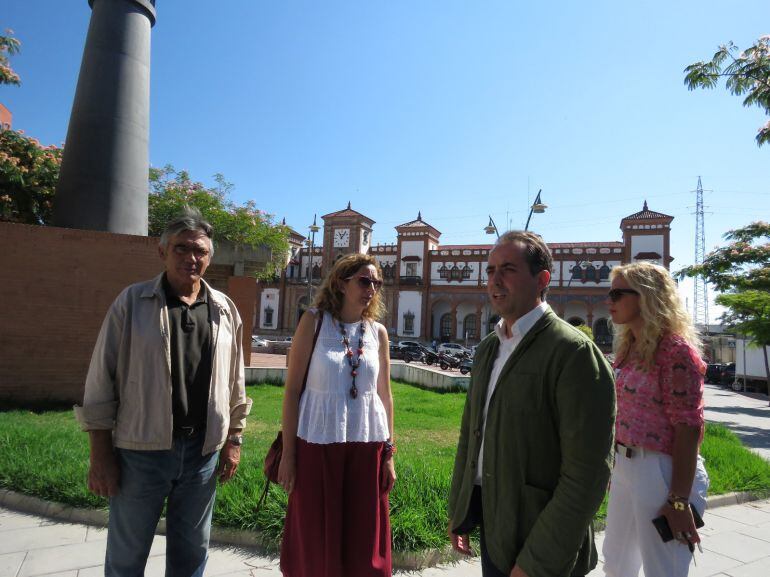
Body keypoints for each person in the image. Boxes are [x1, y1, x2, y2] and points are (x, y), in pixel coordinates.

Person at [74, 208, 252, 577]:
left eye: (200, 251)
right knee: (126, 559)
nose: (191, 258)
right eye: (181, 248)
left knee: (190, 558)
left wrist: (234, 438)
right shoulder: (133, 302)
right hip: (141, 453)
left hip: (202, 454)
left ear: (210, 256)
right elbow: (100, 378)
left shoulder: (223, 309)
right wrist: (100, 453)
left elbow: (236, 380)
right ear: (162, 252)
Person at [448, 231, 616, 577]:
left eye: (507, 269)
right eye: (490, 270)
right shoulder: (489, 349)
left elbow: (587, 476)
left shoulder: (573, 353)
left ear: (542, 280)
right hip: (496, 532)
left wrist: (536, 563)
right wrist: (460, 510)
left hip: (543, 551)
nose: (494, 280)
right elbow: (470, 437)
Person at [278, 253, 395, 577]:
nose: (372, 288)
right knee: (317, 536)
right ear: (341, 283)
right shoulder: (314, 322)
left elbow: (384, 396)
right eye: (364, 280)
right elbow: (291, 392)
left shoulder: (378, 333)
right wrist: (289, 454)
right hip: (318, 444)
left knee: (364, 539)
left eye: (377, 283)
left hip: (366, 446)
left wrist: (389, 454)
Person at [602, 262, 709, 577]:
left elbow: (689, 428)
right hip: (626, 465)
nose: (610, 300)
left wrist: (678, 500)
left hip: (661, 470)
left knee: (664, 569)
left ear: (646, 296)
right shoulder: (629, 348)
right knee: (617, 563)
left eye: (618, 293)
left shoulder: (676, 352)